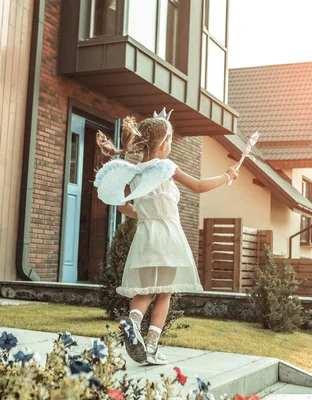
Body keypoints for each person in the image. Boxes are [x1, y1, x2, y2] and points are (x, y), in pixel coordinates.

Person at [94, 108, 239, 365]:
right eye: (170, 141)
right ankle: (150, 347)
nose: (170, 145)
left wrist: (146, 214)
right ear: (162, 144)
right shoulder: (166, 167)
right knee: (164, 293)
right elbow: (198, 186)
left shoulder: (136, 172)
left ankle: (133, 322)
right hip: (169, 236)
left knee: (146, 290)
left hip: (146, 236)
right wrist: (227, 176)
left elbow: (124, 207)